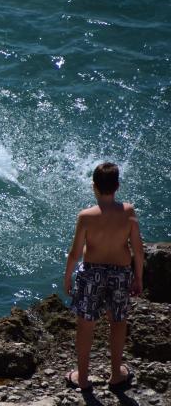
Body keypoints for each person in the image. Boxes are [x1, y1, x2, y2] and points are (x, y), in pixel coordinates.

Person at [63, 162, 143, 392]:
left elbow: (75, 253)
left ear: (93, 186)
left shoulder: (86, 216)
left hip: (91, 274)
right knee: (118, 322)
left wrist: (68, 277)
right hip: (120, 273)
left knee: (86, 325)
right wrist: (139, 278)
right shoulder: (128, 212)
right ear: (117, 186)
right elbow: (138, 249)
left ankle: (84, 378)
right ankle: (116, 374)